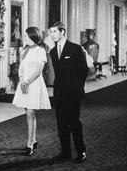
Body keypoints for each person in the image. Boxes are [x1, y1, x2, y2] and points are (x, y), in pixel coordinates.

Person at [49, 22, 88, 163]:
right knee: (61, 124)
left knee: (74, 122)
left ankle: (81, 151)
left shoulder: (75, 49)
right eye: (50, 32)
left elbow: (83, 70)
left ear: (62, 32)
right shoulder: (52, 52)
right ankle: (65, 152)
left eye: (54, 31)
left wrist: (77, 89)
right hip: (59, 93)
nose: (51, 34)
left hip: (73, 93)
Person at [12, 27, 51, 156]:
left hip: (34, 84)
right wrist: (22, 80)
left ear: (32, 37)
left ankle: (29, 144)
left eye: (26, 36)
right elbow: (21, 68)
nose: (23, 37)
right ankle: (33, 140)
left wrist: (27, 82)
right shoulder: (25, 50)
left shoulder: (40, 51)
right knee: (29, 113)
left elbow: (39, 70)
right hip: (24, 84)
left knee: (30, 113)